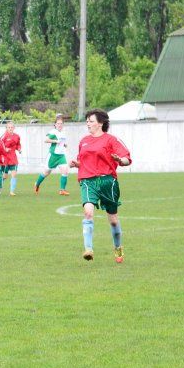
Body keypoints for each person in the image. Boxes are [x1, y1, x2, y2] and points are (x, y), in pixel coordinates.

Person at [69, 109, 131, 262]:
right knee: (88, 213)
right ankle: (88, 249)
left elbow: (127, 159)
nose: (88, 124)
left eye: (91, 121)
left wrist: (120, 160)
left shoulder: (111, 140)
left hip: (107, 182)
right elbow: (83, 161)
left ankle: (118, 248)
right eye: (87, 121)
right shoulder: (83, 141)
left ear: (101, 123)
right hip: (88, 181)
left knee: (113, 220)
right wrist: (77, 164)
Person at [35, 115, 71, 196]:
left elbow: (61, 142)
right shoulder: (53, 132)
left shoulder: (63, 133)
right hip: (53, 156)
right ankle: (37, 184)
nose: (60, 125)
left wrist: (64, 144)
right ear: (55, 124)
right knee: (46, 172)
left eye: (61, 123)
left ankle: (62, 190)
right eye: (58, 123)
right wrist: (55, 141)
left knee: (65, 170)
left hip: (61, 156)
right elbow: (46, 140)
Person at [0, 120, 22, 195]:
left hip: (13, 158)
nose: (10, 128)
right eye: (9, 127)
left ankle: (12, 191)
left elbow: (18, 144)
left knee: (14, 174)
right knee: (4, 176)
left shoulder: (17, 136)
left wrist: (19, 149)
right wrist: (5, 149)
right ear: (6, 128)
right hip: (5, 159)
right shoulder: (3, 136)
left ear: (14, 128)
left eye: (11, 127)